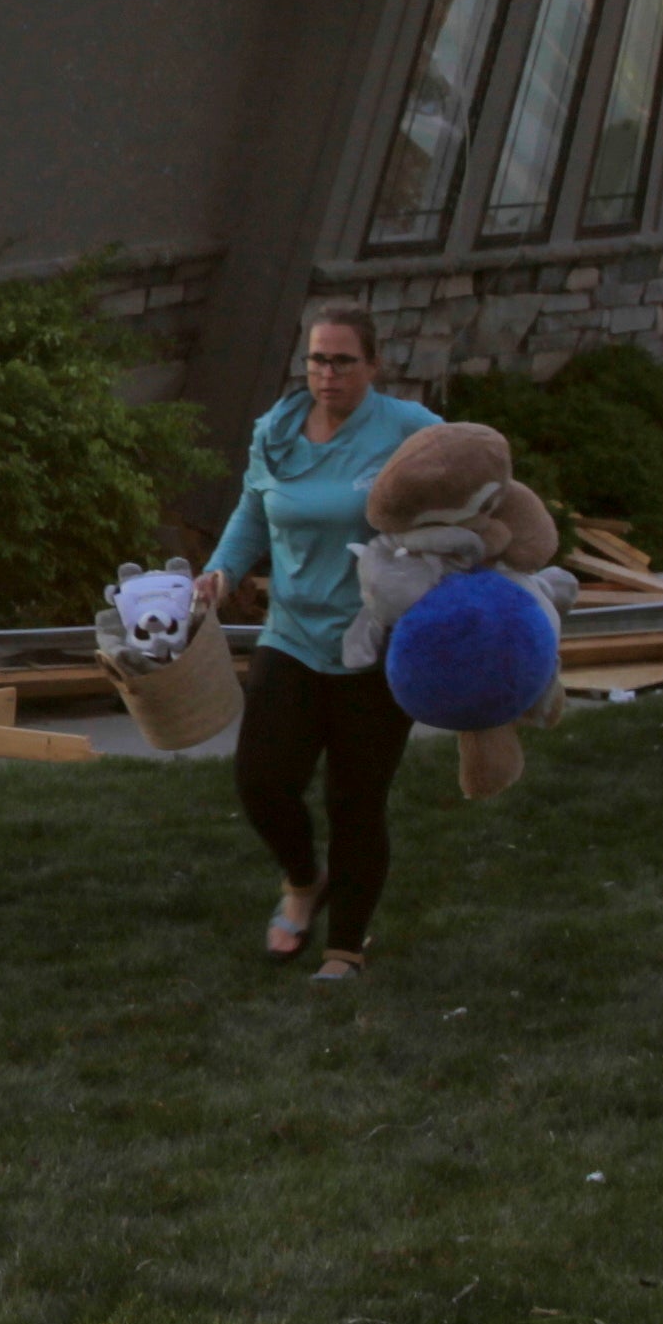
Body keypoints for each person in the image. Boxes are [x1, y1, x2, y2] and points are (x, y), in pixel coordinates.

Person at [197, 302, 437, 982]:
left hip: (376, 645)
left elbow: (473, 479)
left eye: (342, 361)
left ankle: (345, 949)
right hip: (291, 635)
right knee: (261, 782)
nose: (326, 375)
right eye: (315, 359)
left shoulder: (408, 431)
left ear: (372, 364)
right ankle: (304, 880)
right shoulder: (274, 432)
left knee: (355, 800)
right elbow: (252, 513)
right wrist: (220, 573)